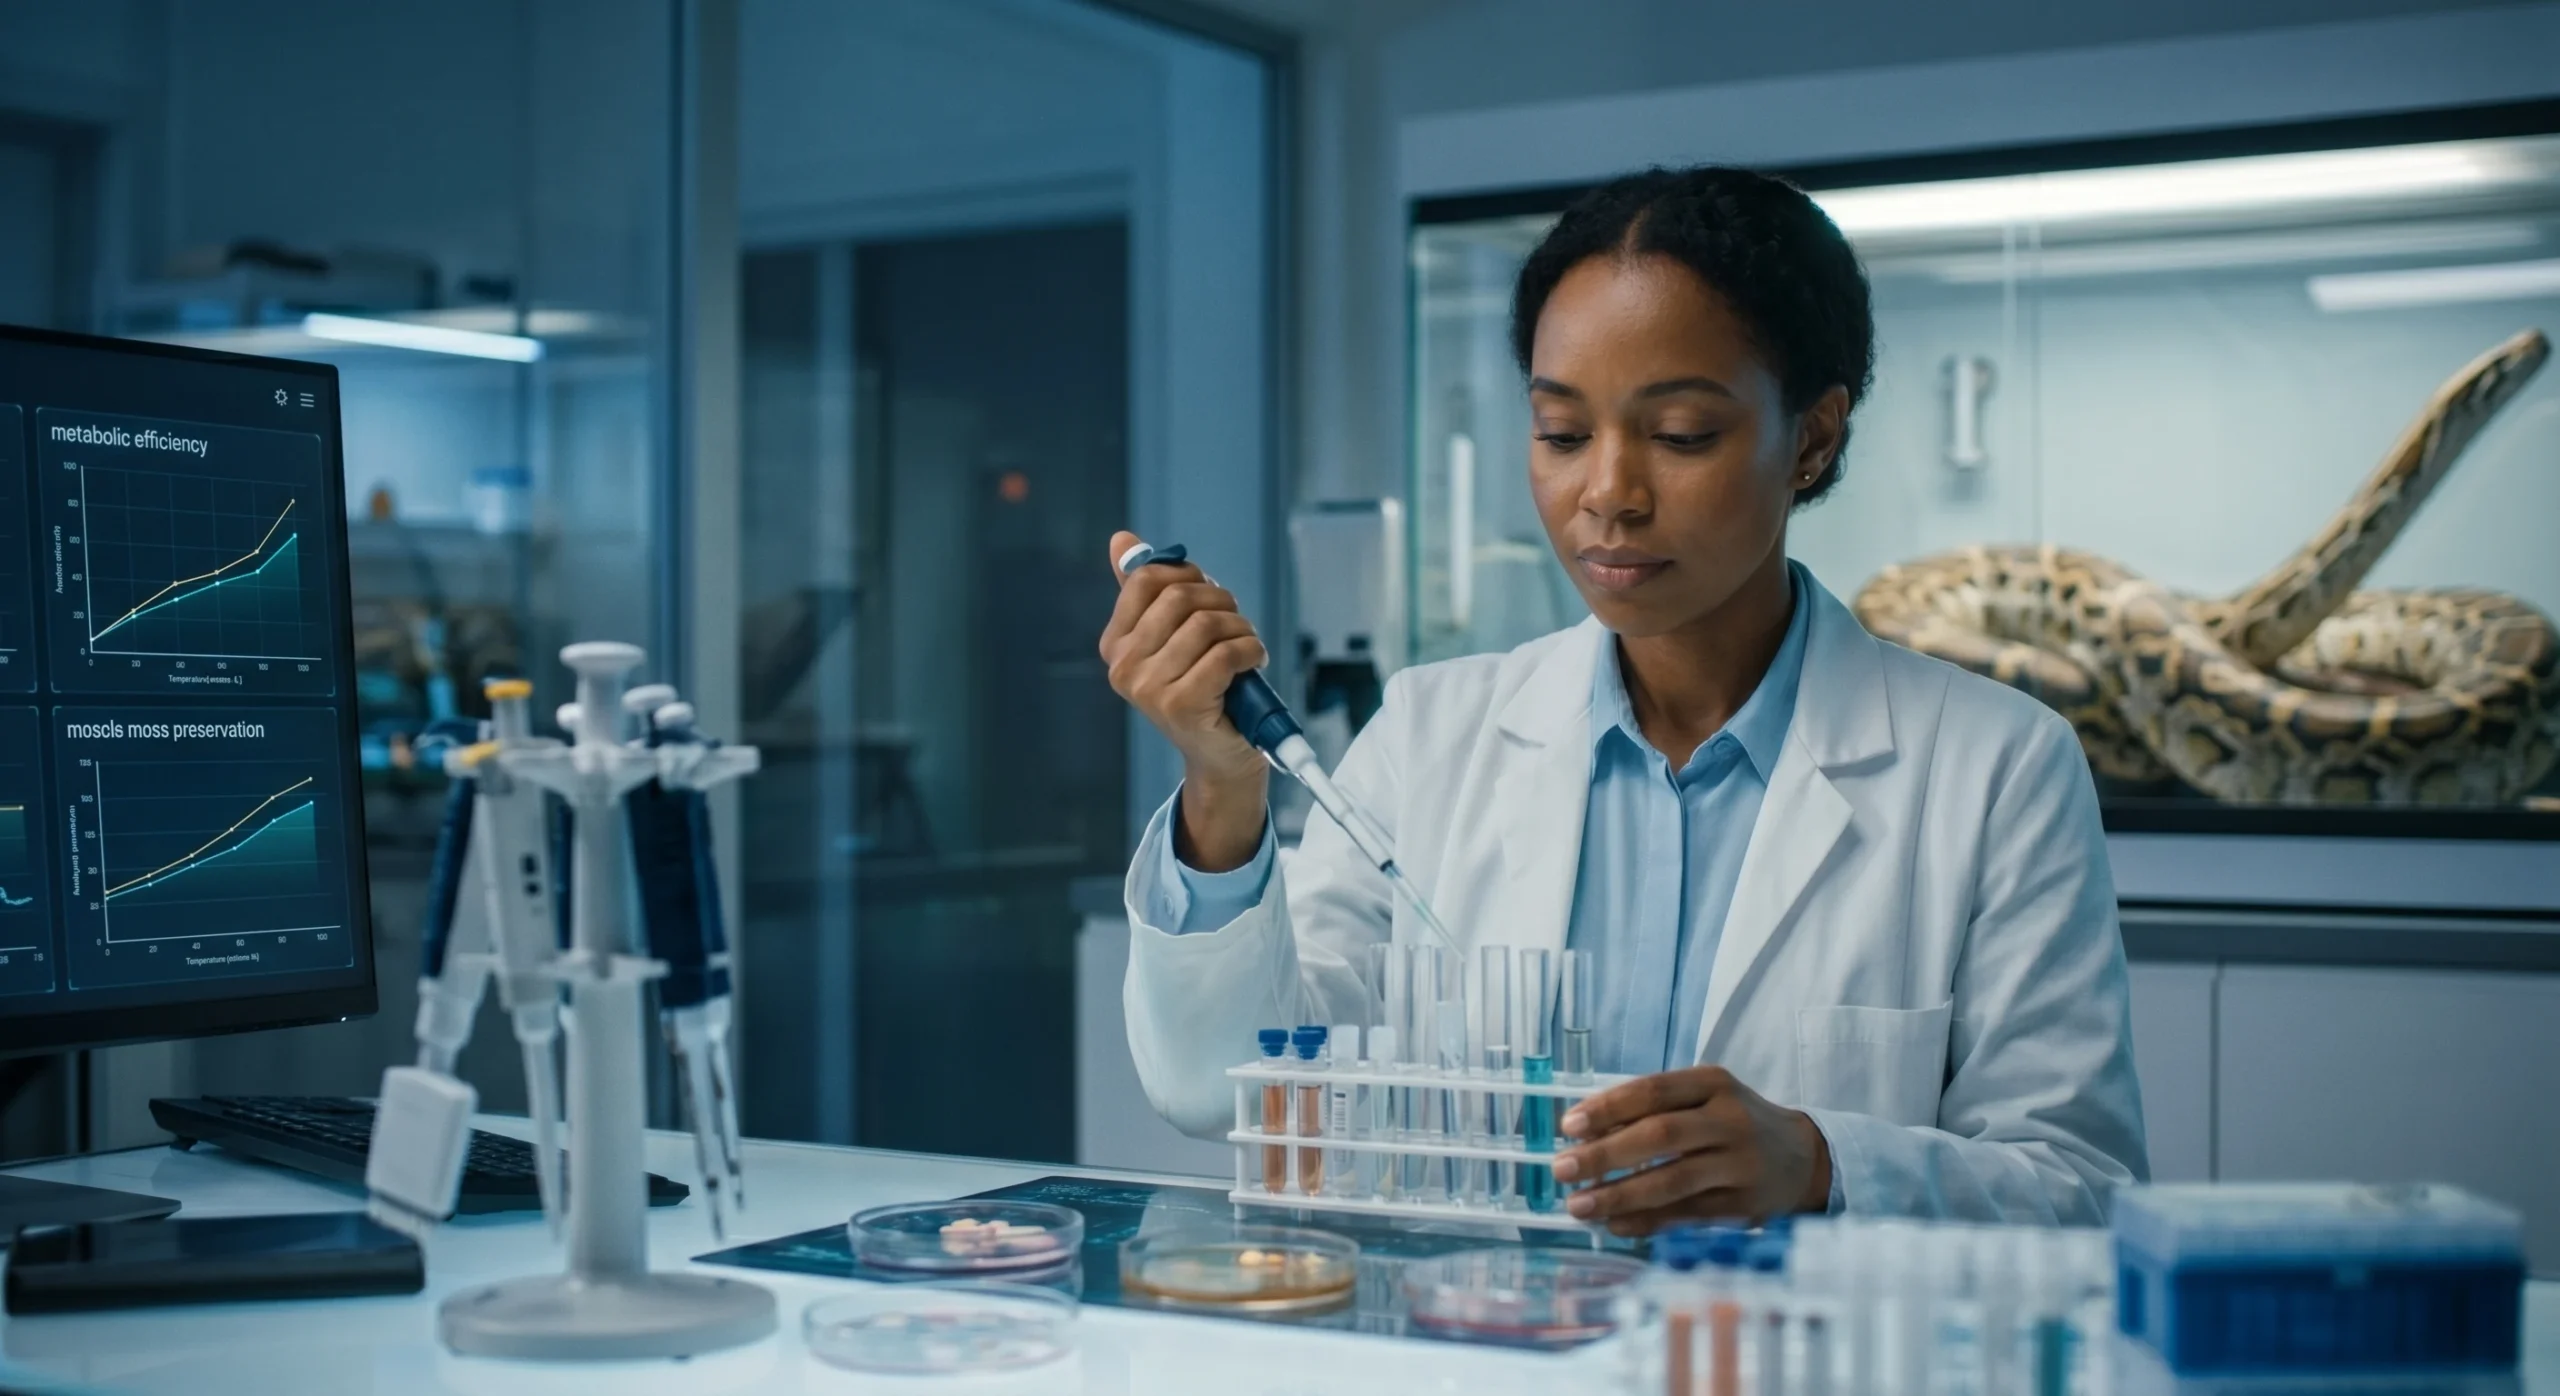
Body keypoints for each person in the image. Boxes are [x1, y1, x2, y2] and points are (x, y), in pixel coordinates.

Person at [1098, 165, 2146, 1232]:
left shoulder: (1994, 766)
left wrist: (1823, 1162)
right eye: (1560, 434)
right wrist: (1221, 793)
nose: (1607, 493)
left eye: (1682, 433)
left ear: (1813, 440)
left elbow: (2081, 1187)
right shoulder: (1429, 734)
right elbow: (1228, 1087)